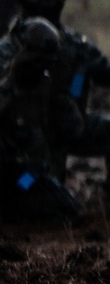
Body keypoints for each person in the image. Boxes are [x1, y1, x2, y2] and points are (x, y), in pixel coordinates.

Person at [2, 0, 110, 209]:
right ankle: (14, 199)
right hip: (28, 139)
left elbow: (104, 71)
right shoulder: (10, 48)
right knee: (35, 181)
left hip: (68, 126)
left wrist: (92, 75)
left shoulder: (73, 45)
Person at [0, 17, 83, 225]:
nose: (41, 68)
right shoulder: (6, 84)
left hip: (21, 171)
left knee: (64, 206)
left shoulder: (42, 86)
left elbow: (39, 148)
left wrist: (24, 184)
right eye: (37, 61)